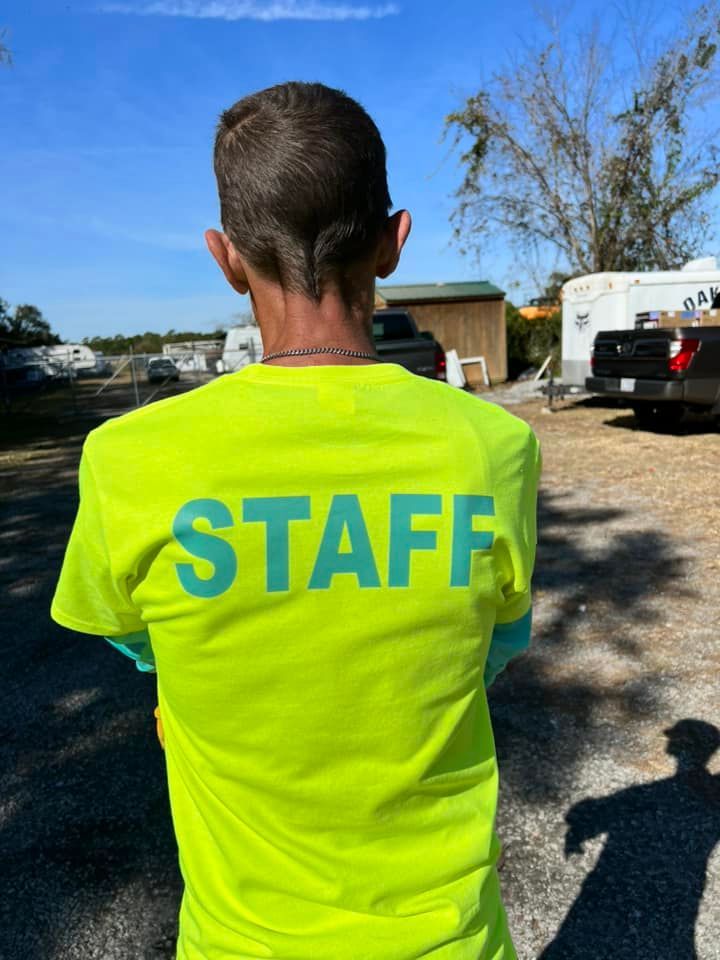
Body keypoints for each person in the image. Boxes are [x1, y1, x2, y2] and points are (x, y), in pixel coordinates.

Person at [50, 81, 541, 960]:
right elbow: (498, 644)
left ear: (226, 257)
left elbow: (135, 643)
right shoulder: (493, 447)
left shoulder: (128, 459)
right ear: (393, 243)